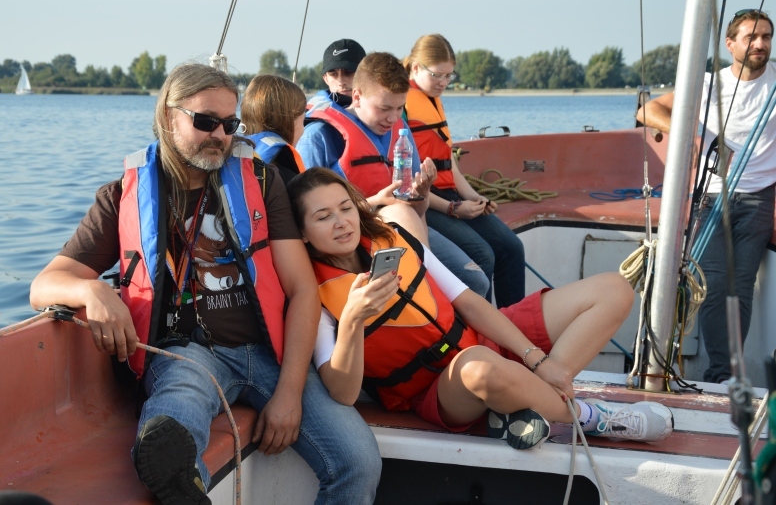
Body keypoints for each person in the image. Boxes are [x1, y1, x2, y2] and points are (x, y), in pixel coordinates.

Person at [29, 63, 380, 504]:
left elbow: (302, 289)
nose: (219, 135)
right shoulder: (121, 196)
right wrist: (92, 290)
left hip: (268, 354)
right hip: (187, 353)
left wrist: (290, 393)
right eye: (205, 121)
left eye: (230, 124)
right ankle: (179, 479)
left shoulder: (261, 181)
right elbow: (45, 285)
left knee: (359, 461)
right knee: (175, 417)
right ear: (168, 116)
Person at [287, 167, 675, 448]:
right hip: (440, 389)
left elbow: (469, 302)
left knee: (613, 290)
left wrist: (539, 360)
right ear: (302, 232)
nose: (342, 222)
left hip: (478, 340)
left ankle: (523, 402)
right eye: (323, 217)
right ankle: (591, 418)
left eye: (346, 208)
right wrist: (353, 319)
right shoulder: (313, 296)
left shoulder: (392, 239)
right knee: (480, 366)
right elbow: (343, 393)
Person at [637, 9, 776, 384]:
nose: (760, 44)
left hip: (759, 198)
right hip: (711, 198)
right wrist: (693, 133)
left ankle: (726, 375)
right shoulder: (707, 86)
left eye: (766, 36)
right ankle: (718, 374)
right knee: (713, 285)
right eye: (751, 37)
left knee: (740, 288)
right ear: (730, 44)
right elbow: (648, 110)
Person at [297, 50, 491, 297]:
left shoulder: (400, 131)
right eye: (384, 108)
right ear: (357, 97)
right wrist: (377, 201)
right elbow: (312, 216)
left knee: (476, 280)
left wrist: (423, 192)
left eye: (400, 108)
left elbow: (417, 210)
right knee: (423, 288)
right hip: (351, 236)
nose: (392, 118)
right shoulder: (319, 138)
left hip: (407, 226)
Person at [403, 34, 526, 308]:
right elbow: (407, 182)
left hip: (451, 196)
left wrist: (473, 197)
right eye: (437, 75)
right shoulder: (402, 106)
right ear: (416, 68)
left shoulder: (434, 100)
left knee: (511, 247)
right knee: (482, 255)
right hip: (426, 202)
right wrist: (453, 209)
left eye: (449, 76)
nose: (444, 82)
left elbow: (448, 161)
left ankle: (513, 322)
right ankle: (484, 329)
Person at [241, 74, 307, 183]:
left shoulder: (235, 160)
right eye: (303, 121)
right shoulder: (287, 178)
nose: (304, 130)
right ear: (289, 122)